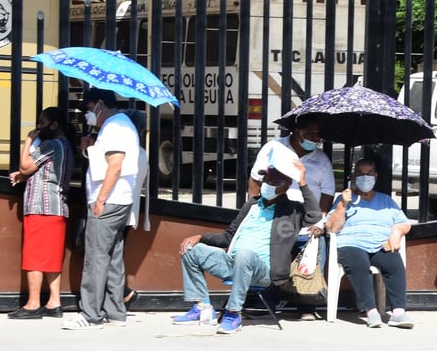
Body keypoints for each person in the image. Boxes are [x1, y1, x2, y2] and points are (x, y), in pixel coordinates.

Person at [173, 150, 321, 334]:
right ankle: (203, 308)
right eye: (265, 180)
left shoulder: (291, 211)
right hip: (233, 263)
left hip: (264, 271)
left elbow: (314, 215)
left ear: (285, 186)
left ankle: (233, 313)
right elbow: (228, 236)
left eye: (273, 182)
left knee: (245, 255)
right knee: (191, 250)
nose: (266, 185)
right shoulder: (251, 205)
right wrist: (200, 237)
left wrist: (303, 182)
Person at [62, 88, 140, 330]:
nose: (87, 114)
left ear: (99, 104)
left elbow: (115, 166)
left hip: (109, 200)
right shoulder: (119, 125)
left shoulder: (116, 126)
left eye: (87, 108)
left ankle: (91, 314)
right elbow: (107, 160)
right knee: (113, 257)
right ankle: (115, 312)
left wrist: (100, 199)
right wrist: (91, 146)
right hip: (120, 199)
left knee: (96, 257)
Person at [248, 114, 335, 320]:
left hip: (306, 218)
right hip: (276, 215)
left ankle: (306, 304)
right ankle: (264, 300)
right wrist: (255, 208)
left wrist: (319, 221)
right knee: (268, 255)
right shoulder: (273, 148)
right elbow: (254, 180)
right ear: (297, 133)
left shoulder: (321, 159)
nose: (315, 138)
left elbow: (327, 193)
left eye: (318, 135)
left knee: (313, 253)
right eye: (310, 133)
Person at [325, 158, 414, 329]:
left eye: (369, 173)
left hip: (380, 243)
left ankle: (398, 312)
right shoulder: (344, 199)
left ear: (375, 176)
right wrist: (343, 204)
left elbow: (404, 223)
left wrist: (397, 232)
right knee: (359, 265)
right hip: (352, 243)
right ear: (354, 177)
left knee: (394, 264)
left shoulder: (386, 200)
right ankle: (371, 311)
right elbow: (333, 228)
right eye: (360, 173)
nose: (365, 177)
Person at [7, 107, 74, 320]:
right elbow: (41, 171)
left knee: (34, 256)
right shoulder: (65, 146)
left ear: (54, 125)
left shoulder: (51, 144)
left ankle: (33, 303)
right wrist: (24, 176)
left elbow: (25, 165)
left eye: (42, 123)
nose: (39, 127)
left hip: (41, 206)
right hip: (57, 207)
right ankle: (54, 301)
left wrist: (29, 139)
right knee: (52, 257)